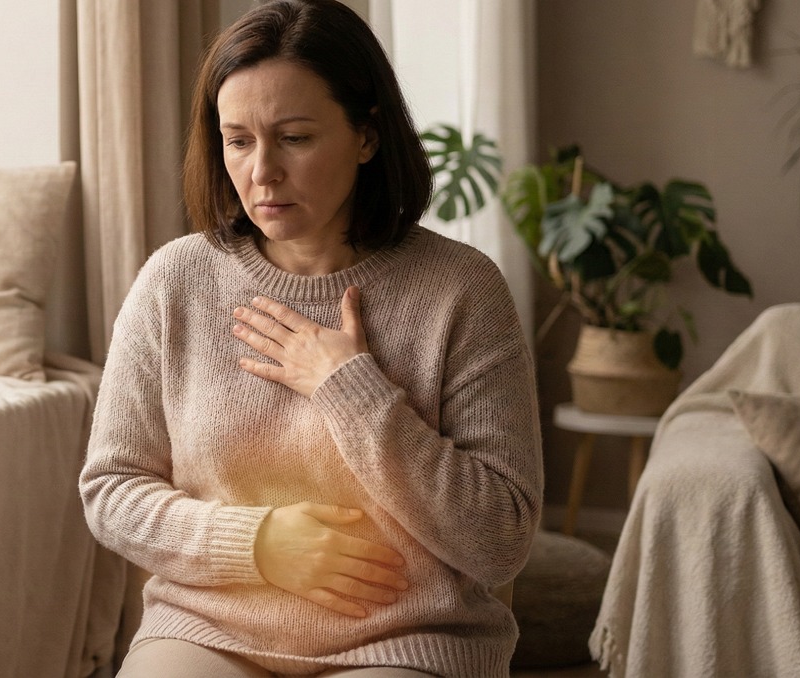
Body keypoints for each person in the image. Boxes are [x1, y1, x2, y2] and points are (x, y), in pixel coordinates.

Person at [78, 1, 543, 676]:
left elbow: (500, 539)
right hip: (210, 627)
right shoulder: (175, 280)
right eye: (237, 140)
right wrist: (258, 543)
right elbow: (112, 490)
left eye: (294, 137)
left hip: (406, 637)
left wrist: (351, 390)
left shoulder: (461, 290)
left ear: (366, 135)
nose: (261, 171)